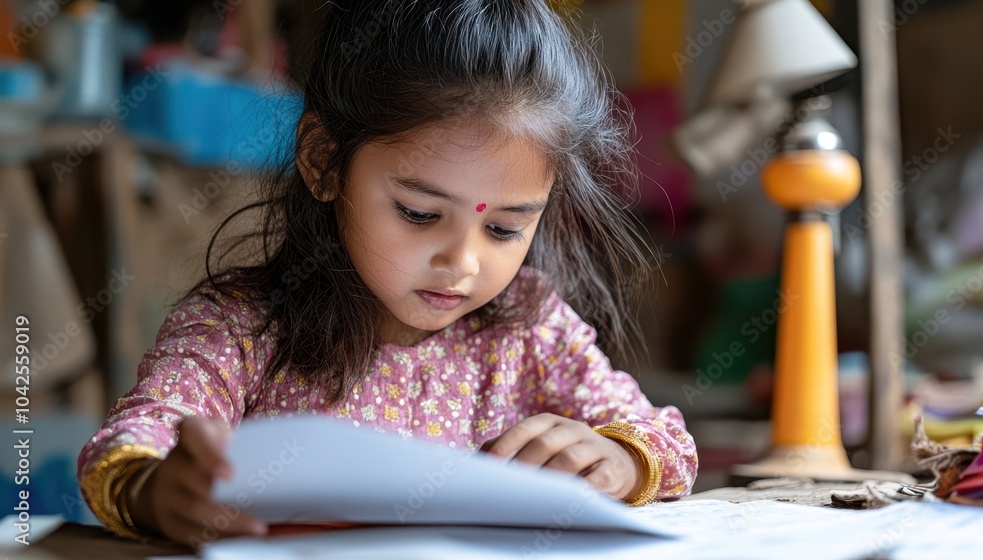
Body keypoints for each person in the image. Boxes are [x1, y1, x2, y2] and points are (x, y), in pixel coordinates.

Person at [78, 0, 698, 546]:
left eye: (505, 228)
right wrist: (154, 491)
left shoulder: (531, 330)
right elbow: (131, 443)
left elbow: (667, 440)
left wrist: (622, 459)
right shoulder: (240, 327)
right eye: (419, 213)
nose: (463, 262)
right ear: (324, 162)